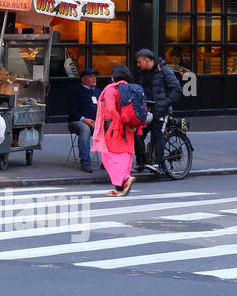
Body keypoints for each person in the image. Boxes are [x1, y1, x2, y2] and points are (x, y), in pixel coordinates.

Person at [92, 64, 148, 197]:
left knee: (109, 156)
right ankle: (119, 187)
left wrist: (118, 122)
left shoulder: (112, 89)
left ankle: (124, 179)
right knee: (125, 155)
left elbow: (111, 109)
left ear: (113, 76)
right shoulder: (130, 88)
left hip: (114, 127)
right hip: (130, 127)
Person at [134, 47, 181, 178]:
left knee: (157, 134)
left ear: (147, 60)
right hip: (146, 110)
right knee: (137, 135)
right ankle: (142, 162)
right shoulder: (143, 72)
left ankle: (160, 166)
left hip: (161, 110)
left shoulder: (164, 71)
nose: (138, 65)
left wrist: (164, 103)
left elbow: (176, 90)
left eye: (139, 62)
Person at [67, 68, 100, 174]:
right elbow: (71, 111)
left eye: (95, 76)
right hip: (77, 122)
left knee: (112, 127)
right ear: (83, 79)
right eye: (91, 76)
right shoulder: (75, 91)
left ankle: (110, 162)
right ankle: (85, 162)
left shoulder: (99, 92)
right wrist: (84, 120)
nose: (94, 78)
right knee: (84, 128)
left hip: (96, 123)